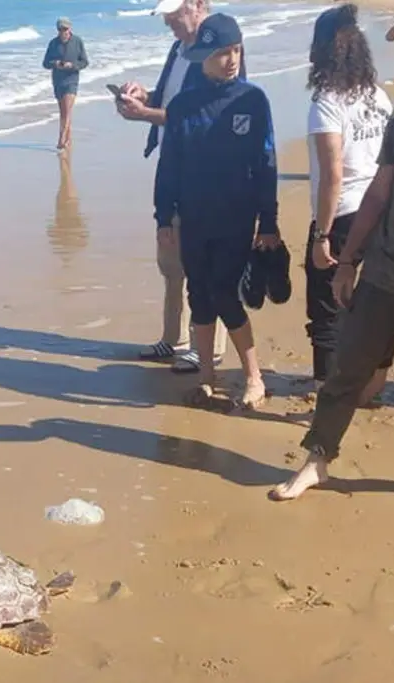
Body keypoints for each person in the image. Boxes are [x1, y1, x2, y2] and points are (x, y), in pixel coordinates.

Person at [269, 25, 394, 505]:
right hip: (384, 273)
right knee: (346, 369)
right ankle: (316, 461)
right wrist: (347, 261)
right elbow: (378, 193)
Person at [152, 13, 278, 409]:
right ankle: (206, 378)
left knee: (225, 293)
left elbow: (267, 163)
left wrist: (269, 221)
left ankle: (254, 378)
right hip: (193, 217)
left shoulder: (252, 100)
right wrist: (163, 215)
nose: (232, 60)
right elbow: (169, 163)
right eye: (223, 53)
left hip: (237, 217)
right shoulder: (183, 106)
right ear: (203, 56)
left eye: (237, 50)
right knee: (200, 296)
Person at [115, 0, 236, 376]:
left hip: (205, 172)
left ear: (198, 4)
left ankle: (208, 349)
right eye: (166, 17)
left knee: (204, 263)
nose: (169, 21)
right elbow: (173, 100)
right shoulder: (179, 48)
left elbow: (206, 113)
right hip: (175, 166)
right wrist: (145, 97)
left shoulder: (220, 47)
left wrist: (146, 115)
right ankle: (174, 337)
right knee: (171, 259)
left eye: (174, 14)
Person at [304, 4, 394, 405]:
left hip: (343, 214)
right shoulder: (378, 96)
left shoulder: (327, 101)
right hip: (382, 209)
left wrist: (321, 235)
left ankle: (328, 388)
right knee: (375, 303)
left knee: (327, 306)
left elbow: (333, 176)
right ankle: (368, 384)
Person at [43, 18, 89, 151]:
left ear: (70, 29)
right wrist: (55, 63)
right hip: (58, 81)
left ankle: (61, 140)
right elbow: (45, 63)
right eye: (60, 29)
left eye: (65, 29)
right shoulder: (53, 43)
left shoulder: (77, 41)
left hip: (72, 80)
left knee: (67, 111)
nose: (63, 32)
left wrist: (72, 65)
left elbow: (85, 62)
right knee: (63, 111)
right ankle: (68, 141)